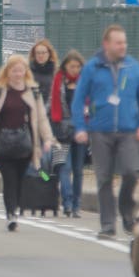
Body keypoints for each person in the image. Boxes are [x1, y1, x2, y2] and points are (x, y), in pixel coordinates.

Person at [72, 24, 139, 239]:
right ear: (106, 44)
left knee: (131, 173)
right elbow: (79, 99)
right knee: (104, 178)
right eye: (118, 43)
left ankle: (127, 210)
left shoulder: (134, 68)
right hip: (100, 131)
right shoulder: (92, 68)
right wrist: (81, 127)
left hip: (128, 130)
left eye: (124, 42)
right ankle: (108, 225)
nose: (123, 46)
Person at [0, 54, 56, 231]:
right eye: (14, 70)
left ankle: (14, 207)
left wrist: (47, 139)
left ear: (25, 72)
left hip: (25, 145)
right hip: (2, 144)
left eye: (20, 70)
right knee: (9, 179)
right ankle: (11, 214)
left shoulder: (33, 91)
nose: (17, 73)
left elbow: (41, 118)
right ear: (8, 72)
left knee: (20, 179)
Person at [50, 50, 86, 218]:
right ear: (65, 66)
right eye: (72, 66)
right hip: (61, 131)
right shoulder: (57, 82)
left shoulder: (84, 83)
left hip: (80, 130)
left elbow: (91, 105)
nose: (75, 69)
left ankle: (77, 204)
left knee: (78, 170)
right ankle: (68, 203)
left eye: (78, 67)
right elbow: (50, 105)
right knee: (65, 168)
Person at [29, 38, 59, 106]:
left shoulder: (56, 71)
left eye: (43, 53)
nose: (40, 55)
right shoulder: (28, 71)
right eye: (38, 53)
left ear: (49, 54)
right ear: (34, 54)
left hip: (50, 110)